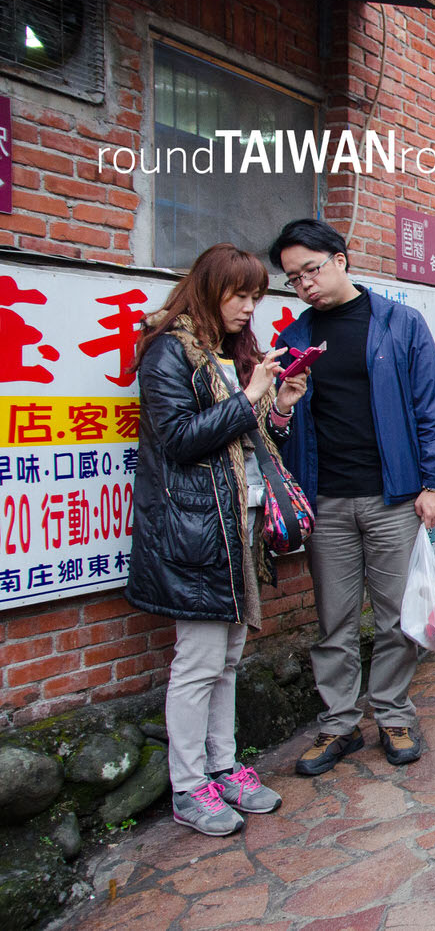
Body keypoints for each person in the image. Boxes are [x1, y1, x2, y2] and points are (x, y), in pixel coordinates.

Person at [127, 243, 307, 835]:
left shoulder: (227, 353)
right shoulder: (166, 353)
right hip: (194, 527)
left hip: (236, 524)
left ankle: (223, 768)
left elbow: (244, 441)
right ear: (208, 288)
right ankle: (187, 787)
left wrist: (275, 407)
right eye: (241, 295)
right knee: (199, 661)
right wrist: (250, 396)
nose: (249, 308)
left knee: (228, 657)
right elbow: (180, 439)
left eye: (256, 296)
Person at [270, 219, 435, 777]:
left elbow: (430, 407)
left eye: (311, 270)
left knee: (399, 616)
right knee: (334, 621)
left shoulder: (400, 323)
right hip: (324, 500)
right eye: (293, 278)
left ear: (341, 260)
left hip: (392, 498)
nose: (304, 284)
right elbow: (275, 429)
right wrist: (281, 404)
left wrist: (434, 483)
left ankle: (394, 712)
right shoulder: (293, 339)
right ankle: (340, 724)